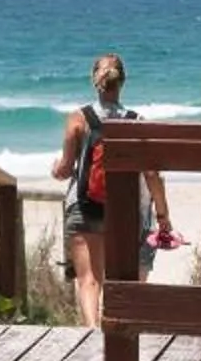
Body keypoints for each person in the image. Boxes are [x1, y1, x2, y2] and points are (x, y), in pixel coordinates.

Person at [50, 53, 170, 324]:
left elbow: (67, 170)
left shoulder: (79, 119)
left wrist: (55, 169)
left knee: (89, 280)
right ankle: (118, 333)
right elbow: (152, 174)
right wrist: (163, 215)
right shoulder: (137, 121)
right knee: (124, 282)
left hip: (84, 206)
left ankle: (92, 333)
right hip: (125, 211)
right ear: (123, 82)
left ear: (95, 82)